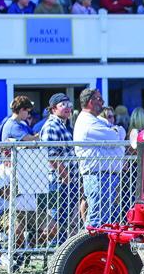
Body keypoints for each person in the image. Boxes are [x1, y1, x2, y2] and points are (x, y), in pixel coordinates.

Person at [73, 88, 126, 227]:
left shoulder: (95, 120)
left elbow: (120, 131)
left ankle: (99, 246)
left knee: (104, 219)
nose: (102, 102)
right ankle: (90, 247)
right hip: (99, 176)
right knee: (97, 220)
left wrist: (117, 133)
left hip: (104, 175)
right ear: (91, 102)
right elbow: (115, 137)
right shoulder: (88, 122)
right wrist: (116, 133)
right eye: (99, 99)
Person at [39, 93, 78, 244]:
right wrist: (66, 177)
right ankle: (54, 254)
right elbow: (52, 157)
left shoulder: (62, 125)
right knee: (57, 220)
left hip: (67, 181)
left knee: (64, 220)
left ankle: (59, 250)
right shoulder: (51, 126)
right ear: (53, 109)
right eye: (63, 105)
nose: (68, 108)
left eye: (69, 104)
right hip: (59, 182)